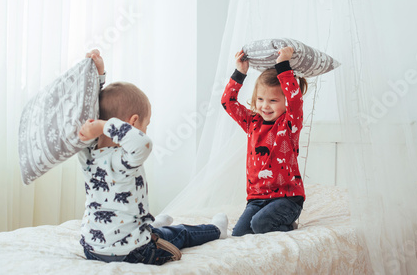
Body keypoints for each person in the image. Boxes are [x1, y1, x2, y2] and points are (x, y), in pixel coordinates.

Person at [78, 50, 228, 265]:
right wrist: (103, 125)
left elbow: (93, 109)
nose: (145, 131)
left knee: (149, 225)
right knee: (180, 233)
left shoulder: (88, 156)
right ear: (132, 123)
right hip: (133, 252)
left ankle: (152, 226)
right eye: (145, 126)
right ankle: (217, 230)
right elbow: (143, 143)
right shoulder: (124, 159)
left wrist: (99, 77)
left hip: (92, 249)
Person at [221, 46, 308, 236]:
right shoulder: (252, 122)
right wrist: (240, 73)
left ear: (285, 102)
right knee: (238, 235)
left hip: (287, 199)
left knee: (259, 225)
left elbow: (296, 101)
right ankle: (273, 224)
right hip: (256, 199)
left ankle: (288, 226)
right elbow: (228, 102)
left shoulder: (289, 125)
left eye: (273, 101)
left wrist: (283, 65)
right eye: (260, 99)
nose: (264, 106)